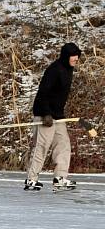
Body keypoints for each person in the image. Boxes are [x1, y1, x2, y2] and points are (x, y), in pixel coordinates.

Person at [24, 42, 82, 191]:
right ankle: (31, 179)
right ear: (66, 57)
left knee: (63, 145)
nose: (76, 61)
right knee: (41, 147)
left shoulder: (68, 70)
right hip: (45, 115)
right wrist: (45, 113)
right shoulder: (54, 70)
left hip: (58, 115)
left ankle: (60, 178)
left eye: (77, 59)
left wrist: (56, 113)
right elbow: (43, 93)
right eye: (73, 59)